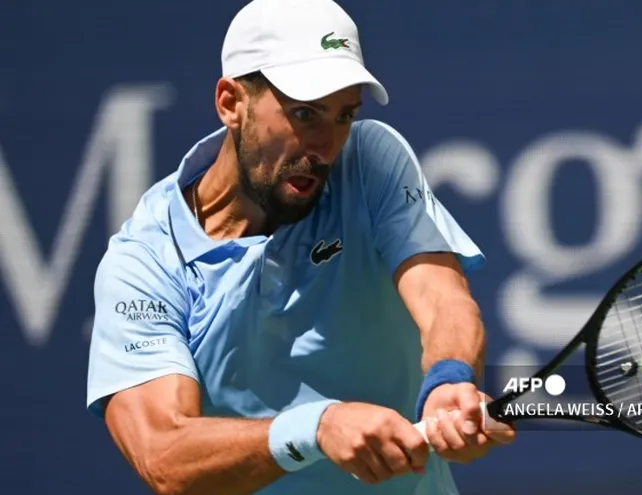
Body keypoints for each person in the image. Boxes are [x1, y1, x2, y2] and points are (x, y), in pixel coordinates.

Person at [84, 0, 515, 493]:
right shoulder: (144, 262)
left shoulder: (370, 161)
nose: (326, 145)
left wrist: (449, 381)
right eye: (305, 114)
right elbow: (163, 454)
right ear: (230, 103)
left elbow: (443, 300)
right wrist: (317, 428)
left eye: (343, 115)